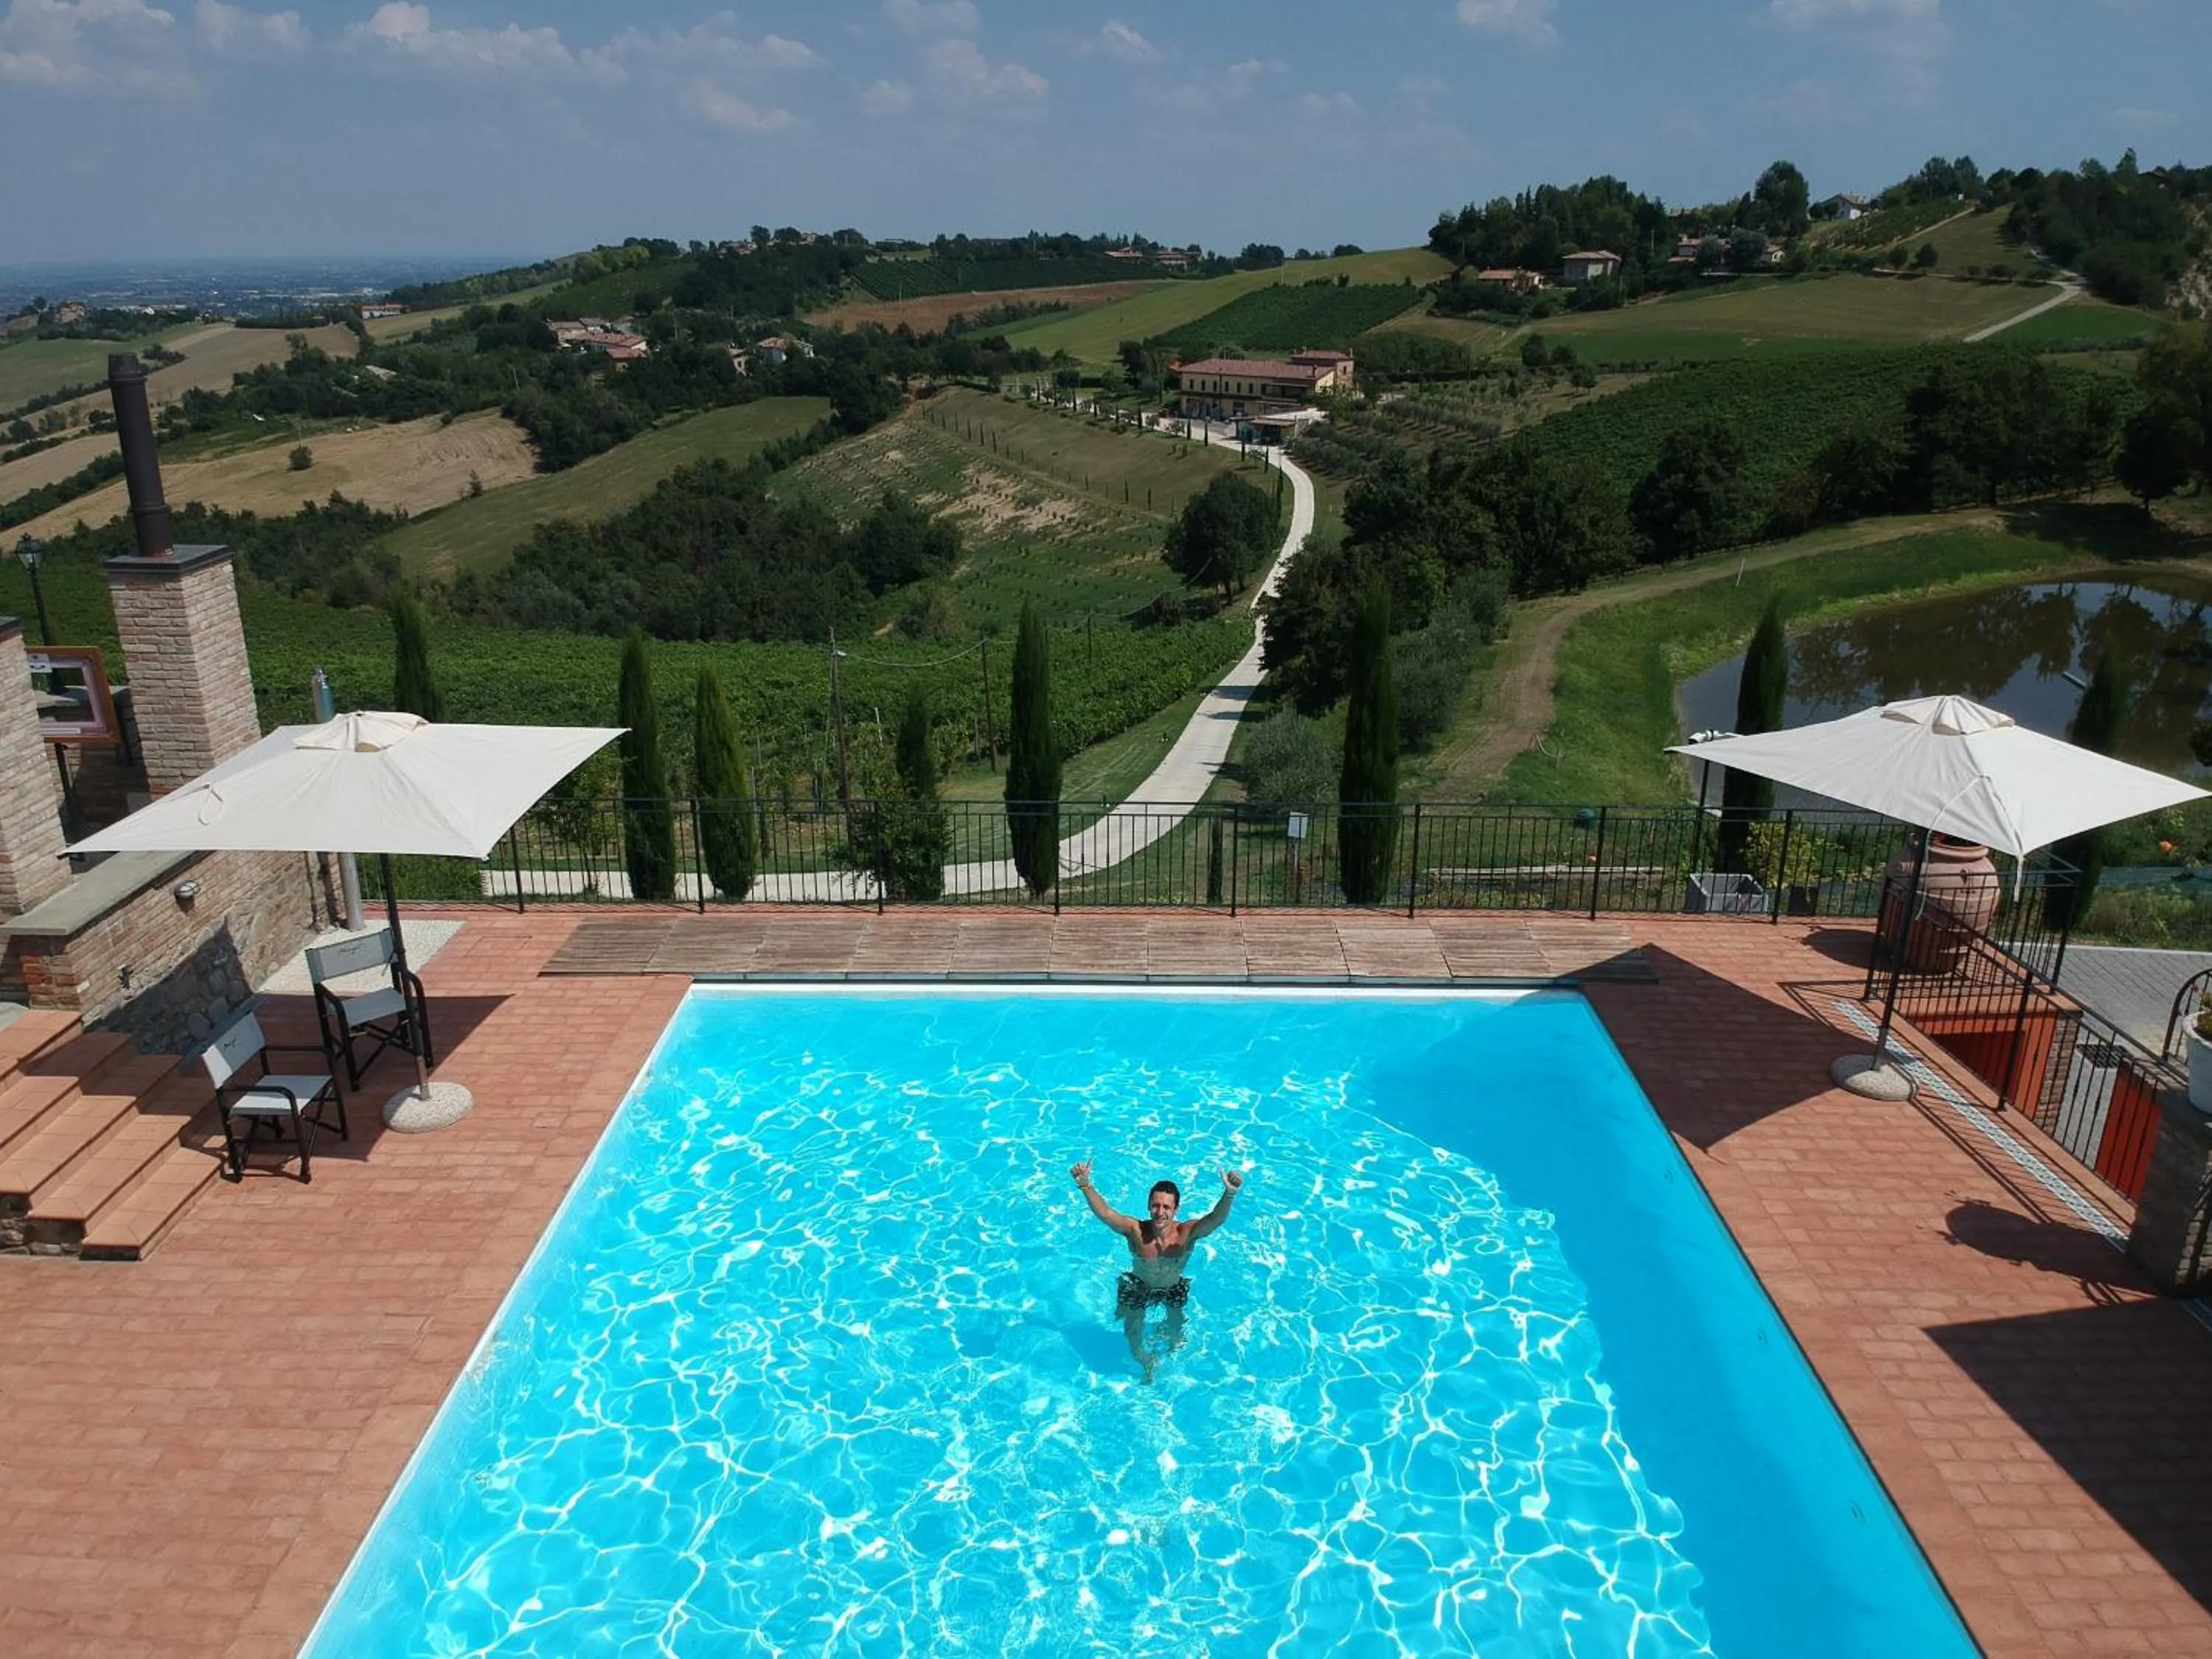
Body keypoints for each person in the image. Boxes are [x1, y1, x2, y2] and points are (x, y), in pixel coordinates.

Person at [1071, 1159, 1246, 1380]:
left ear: (1176, 1209)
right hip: (1139, 1286)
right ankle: (1145, 1361)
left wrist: (1229, 1195)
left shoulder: (1187, 1232)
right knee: (1131, 1330)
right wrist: (1085, 1185)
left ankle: (1170, 1354)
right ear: (1148, 1206)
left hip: (1173, 1287)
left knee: (1177, 1327)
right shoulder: (1135, 1230)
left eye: (1166, 1207)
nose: (1160, 1212)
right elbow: (1106, 1214)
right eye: (1156, 1205)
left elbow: (1215, 1219)